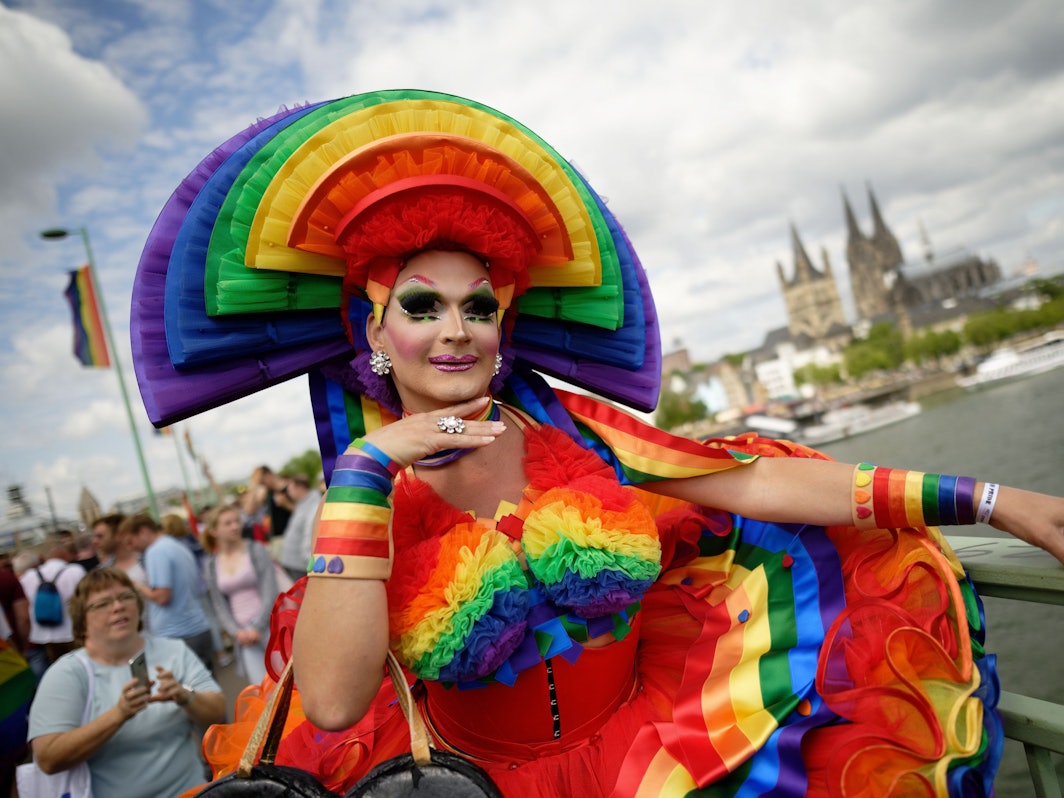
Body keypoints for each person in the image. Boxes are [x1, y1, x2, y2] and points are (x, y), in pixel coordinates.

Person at [135, 91, 1064, 797]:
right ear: (373, 331)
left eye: (479, 306)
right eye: (421, 304)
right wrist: (368, 468)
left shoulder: (572, 440)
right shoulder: (363, 495)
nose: (456, 328)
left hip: (651, 760)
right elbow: (334, 705)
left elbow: (762, 487)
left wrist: (995, 501)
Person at [25, 568, 225, 798]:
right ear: (82, 623)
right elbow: (48, 758)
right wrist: (118, 715)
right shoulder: (67, 673)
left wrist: (186, 697)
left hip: (192, 792)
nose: (118, 606)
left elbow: (216, 712)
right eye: (103, 603)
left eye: (126, 597)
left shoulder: (172, 650)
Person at [122, 515, 214, 672]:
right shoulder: (176, 545)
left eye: (131, 541)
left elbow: (162, 597)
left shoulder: (156, 551)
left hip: (177, 634)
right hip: (196, 628)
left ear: (143, 532)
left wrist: (137, 585)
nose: (131, 547)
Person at [201, 504, 279, 685]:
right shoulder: (212, 564)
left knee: (287, 682)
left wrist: (257, 627)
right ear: (214, 531)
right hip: (242, 635)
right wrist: (236, 632)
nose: (235, 526)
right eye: (227, 523)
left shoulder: (255, 549)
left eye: (237, 521)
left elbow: (270, 590)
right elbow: (219, 603)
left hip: (269, 626)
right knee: (262, 688)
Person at [19, 536, 87, 678]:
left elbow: (24, 608)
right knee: (82, 670)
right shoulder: (75, 570)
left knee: (58, 673)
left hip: (44, 635)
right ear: (65, 555)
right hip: (73, 632)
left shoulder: (29, 576)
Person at [276, 474, 323, 583]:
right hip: (294, 564)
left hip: (301, 566)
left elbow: (309, 535)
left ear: (300, 488)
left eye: (290, 489)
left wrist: (312, 565)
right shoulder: (303, 504)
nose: (288, 493)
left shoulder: (313, 505)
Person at [241, 465, 292, 543]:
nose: (263, 484)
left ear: (268, 475)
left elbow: (302, 511)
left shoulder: (289, 487)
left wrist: (286, 504)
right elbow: (248, 511)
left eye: (262, 481)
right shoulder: (267, 494)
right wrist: (254, 484)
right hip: (278, 539)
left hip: (293, 534)